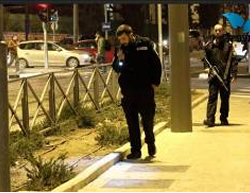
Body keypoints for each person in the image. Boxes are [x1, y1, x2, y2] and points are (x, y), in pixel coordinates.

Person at [112, 24, 162, 159]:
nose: (122, 41)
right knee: (132, 122)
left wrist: (155, 83)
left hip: (145, 89)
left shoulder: (145, 44)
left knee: (147, 120)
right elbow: (116, 67)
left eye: (124, 38)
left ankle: (150, 143)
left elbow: (156, 64)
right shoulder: (120, 49)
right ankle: (136, 150)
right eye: (120, 39)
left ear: (131, 35)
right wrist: (119, 60)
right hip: (128, 91)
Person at [203, 24, 238, 127]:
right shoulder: (210, 45)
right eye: (216, 30)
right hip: (213, 76)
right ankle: (210, 119)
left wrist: (234, 74)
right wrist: (206, 67)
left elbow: (233, 61)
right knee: (212, 98)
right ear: (214, 31)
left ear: (223, 31)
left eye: (220, 30)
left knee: (225, 99)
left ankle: (224, 118)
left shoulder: (228, 45)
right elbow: (205, 58)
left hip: (225, 76)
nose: (218, 32)